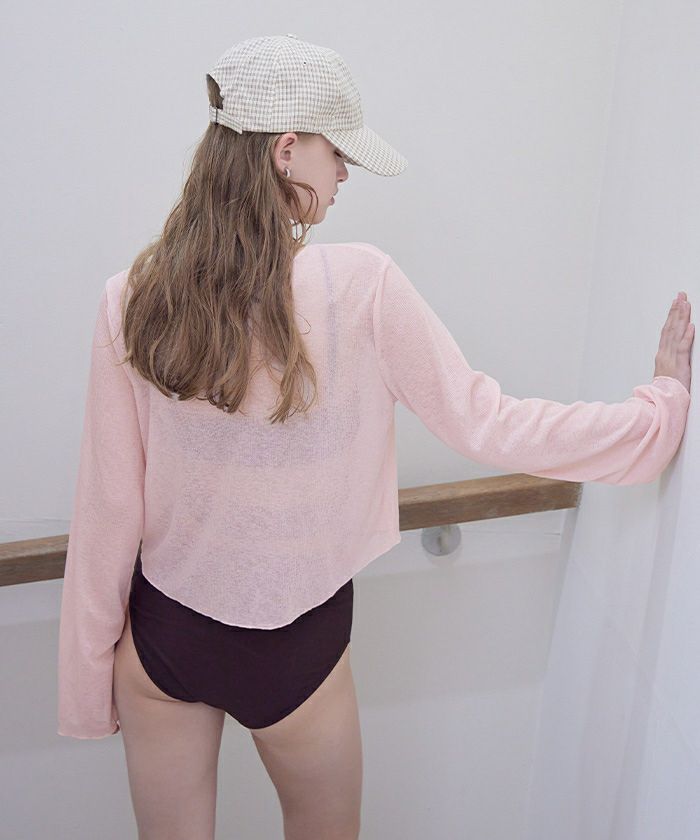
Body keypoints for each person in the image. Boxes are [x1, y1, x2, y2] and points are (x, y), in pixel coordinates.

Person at [56, 34, 693, 840]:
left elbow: (108, 508)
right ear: (287, 150)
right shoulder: (358, 286)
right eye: (338, 153)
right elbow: (488, 420)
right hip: (294, 649)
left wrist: (86, 689)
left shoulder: (133, 297)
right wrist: (654, 416)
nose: (345, 174)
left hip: (165, 642)